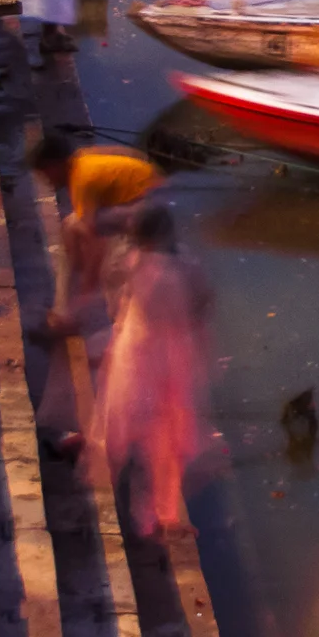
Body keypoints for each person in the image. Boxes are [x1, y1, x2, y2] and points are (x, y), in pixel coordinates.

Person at [93, 203, 210, 538]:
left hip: (138, 345)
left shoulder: (131, 261)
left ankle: (137, 504)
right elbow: (201, 303)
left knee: (128, 423)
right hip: (162, 352)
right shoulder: (179, 266)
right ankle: (159, 513)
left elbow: (116, 298)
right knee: (161, 433)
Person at [30, 130, 162, 336]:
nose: (46, 181)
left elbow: (95, 242)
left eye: (46, 173)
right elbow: (130, 153)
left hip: (149, 203)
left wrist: (89, 282)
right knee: (71, 226)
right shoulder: (81, 157)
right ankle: (65, 313)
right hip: (137, 194)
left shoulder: (83, 180)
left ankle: (121, 333)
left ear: (55, 165)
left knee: (113, 268)